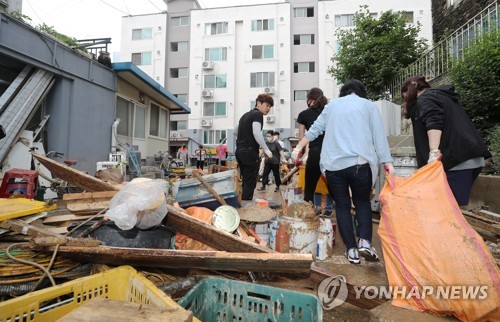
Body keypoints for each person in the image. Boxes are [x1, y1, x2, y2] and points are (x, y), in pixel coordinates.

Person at [292, 80, 394, 265]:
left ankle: (351, 251)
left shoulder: (331, 106)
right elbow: (379, 137)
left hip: (334, 166)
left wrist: (298, 147)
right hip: (360, 164)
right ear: (360, 92)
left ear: (343, 92)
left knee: (342, 206)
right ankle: (364, 241)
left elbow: (314, 130)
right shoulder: (368, 106)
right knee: (362, 202)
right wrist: (387, 163)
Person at [400, 76, 491, 206]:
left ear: (409, 92)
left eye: (405, 97)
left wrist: (433, 152)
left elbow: (434, 123)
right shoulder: (443, 97)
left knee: (448, 209)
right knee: (451, 206)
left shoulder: (425, 99)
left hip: (456, 161)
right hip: (470, 157)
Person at [296, 87, 332, 211]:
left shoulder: (303, 115)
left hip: (316, 152)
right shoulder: (330, 112)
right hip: (331, 152)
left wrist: (302, 153)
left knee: (310, 188)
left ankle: (309, 217)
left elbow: (302, 138)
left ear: (309, 99)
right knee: (335, 189)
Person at [235, 94, 274, 202]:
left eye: (270, 107)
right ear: (259, 103)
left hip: (239, 151)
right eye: (267, 105)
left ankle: (242, 202)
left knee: (246, 180)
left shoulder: (244, 115)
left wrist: (244, 137)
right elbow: (256, 132)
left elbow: (235, 131)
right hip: (249, 151)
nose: (268, 108)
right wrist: (266, 149)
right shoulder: (258, 114)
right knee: (250, 181)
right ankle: (246, 207)